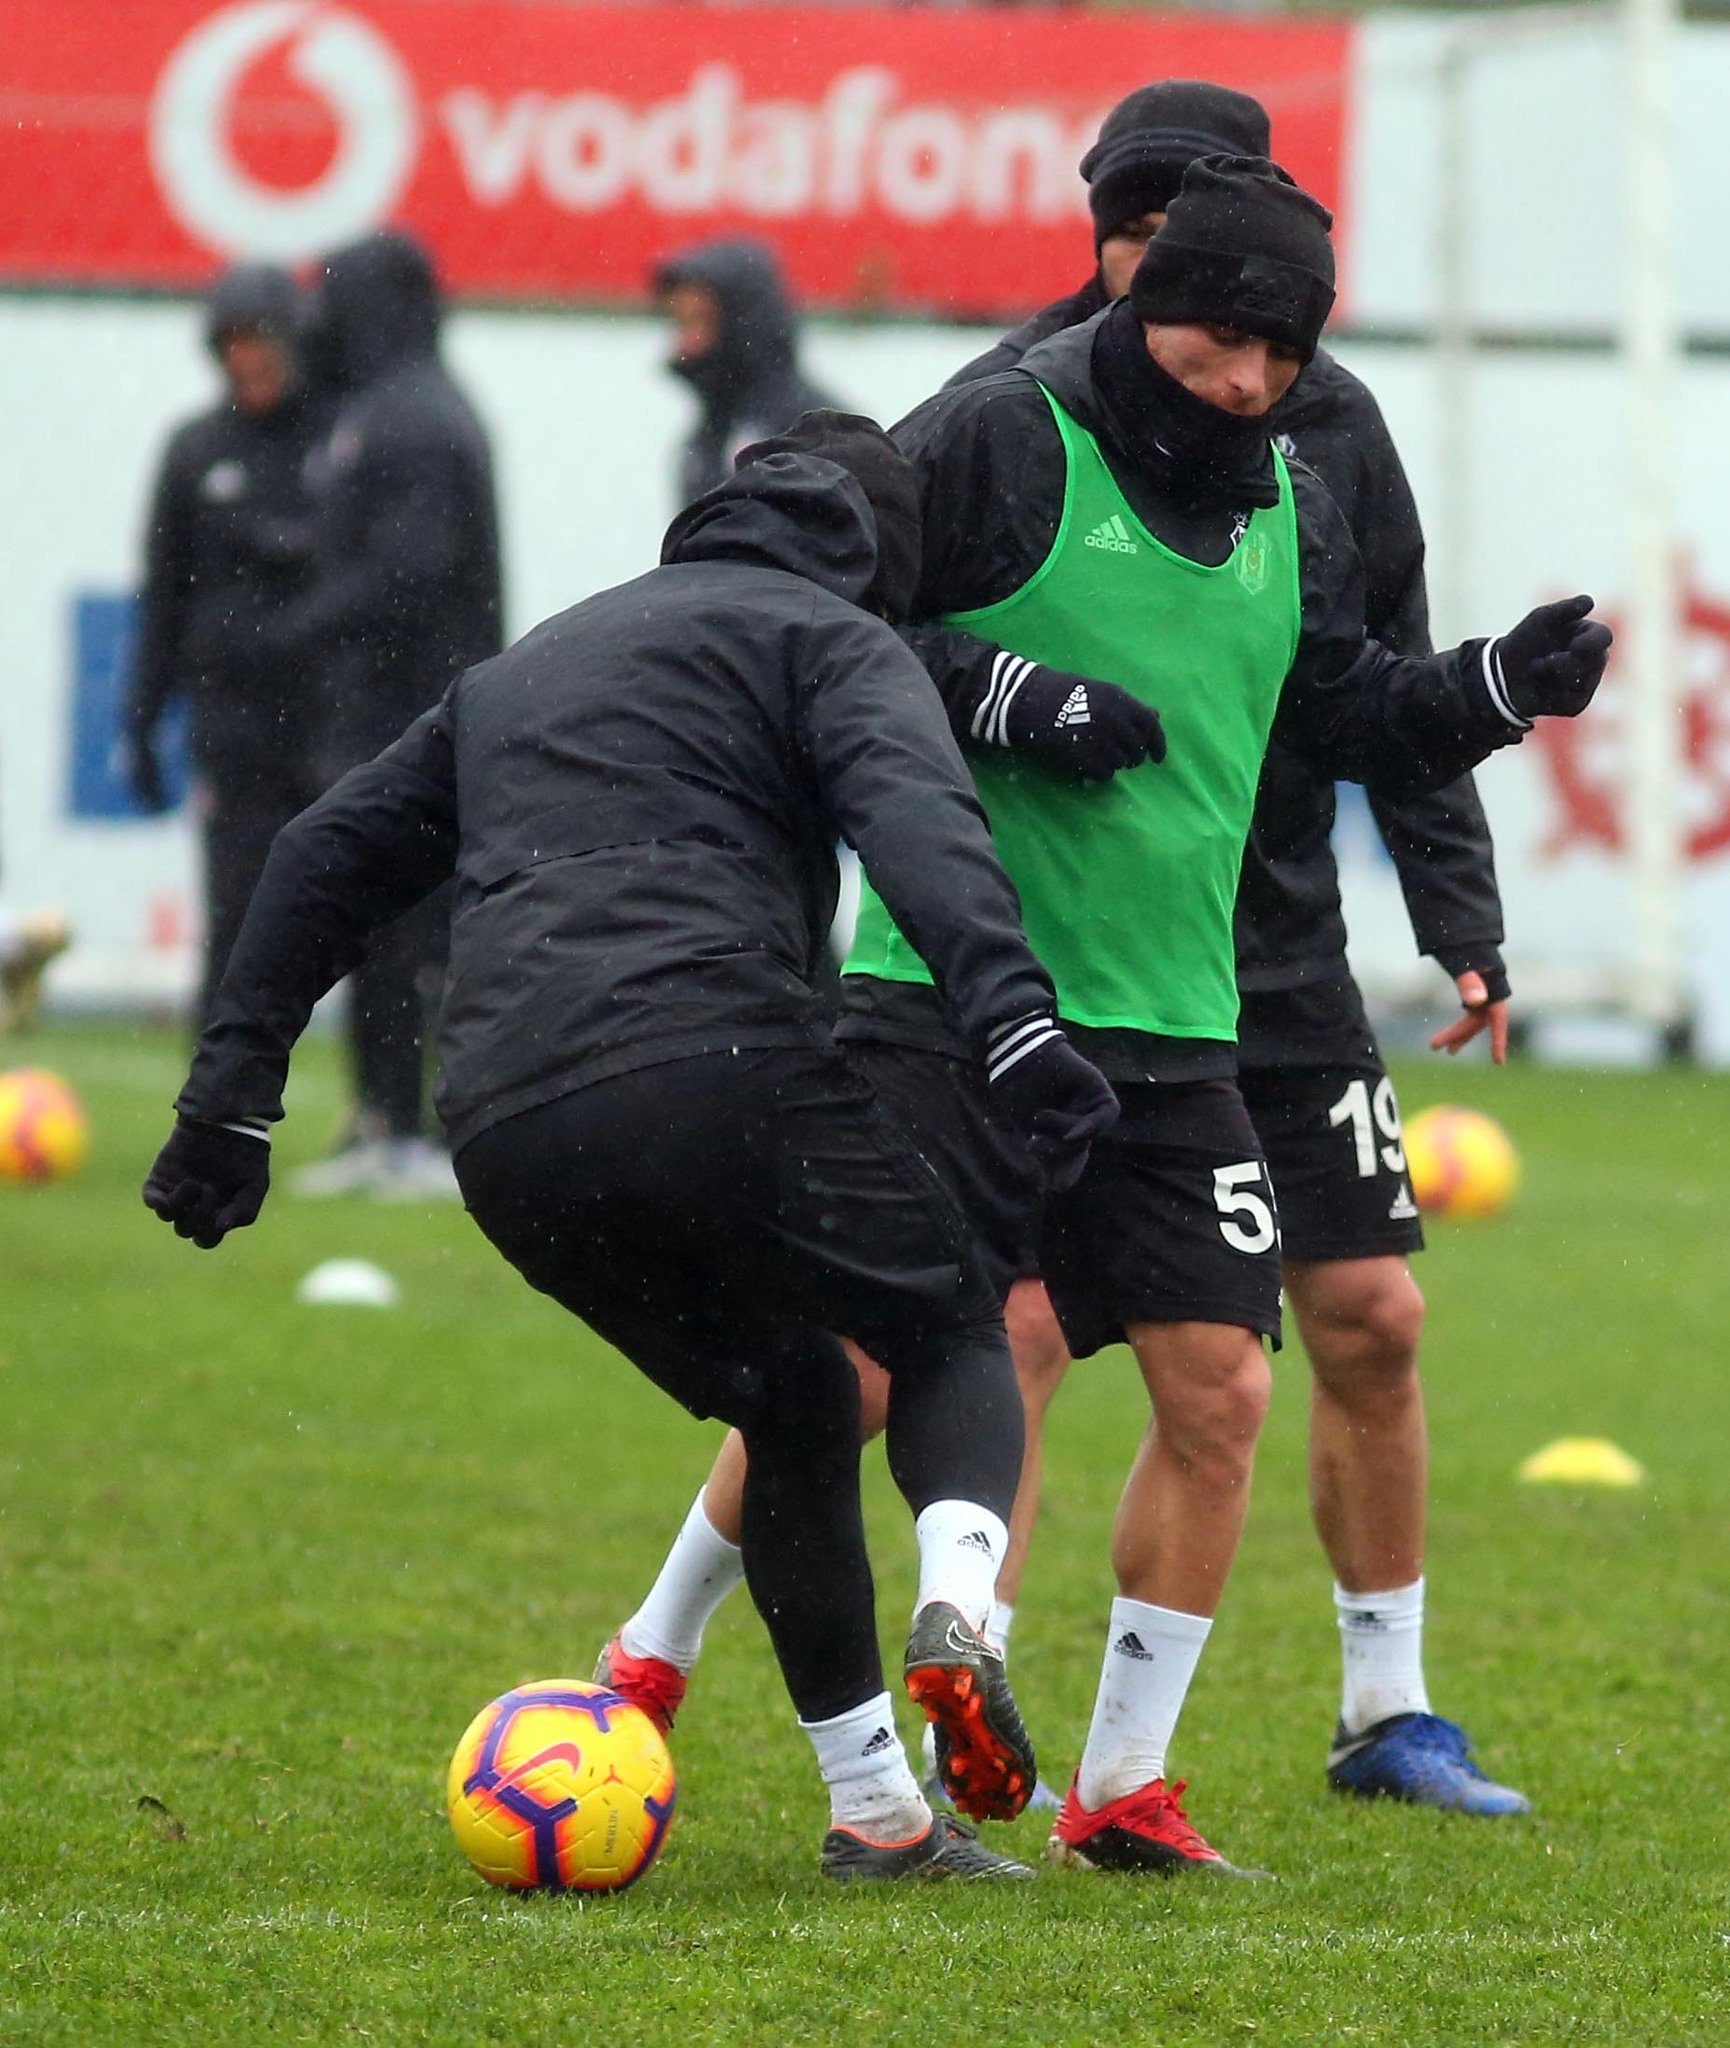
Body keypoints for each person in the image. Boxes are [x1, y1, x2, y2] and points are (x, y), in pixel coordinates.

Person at [600, 159, 1610, 1875]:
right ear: (1151, 299)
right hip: (952, 995)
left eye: (1284, 351)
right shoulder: (1003, 431)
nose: (1251, 379)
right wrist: (1008, 690)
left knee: (1220, 1387)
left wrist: (1493, 689)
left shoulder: (1295, 487)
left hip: (1181, 1023)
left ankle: (1122, 1789)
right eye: (1225, 338)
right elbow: (815, 611)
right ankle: (652, 1652)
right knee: (859, 1371)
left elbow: (1333, 708)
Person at [140, 416, 1122, 1883]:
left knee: (795, 1397)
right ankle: (959, 1609)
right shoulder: (836, 639)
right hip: (716, 1063)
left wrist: (229, 1099)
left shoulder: (532, 664)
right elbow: (925, 834)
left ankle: (877, 1812)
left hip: (505, 1121)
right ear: (879, 568)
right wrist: (1017, 1024)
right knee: (949, 1320)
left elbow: (320, 855)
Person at [947, 80, 1528, 1816]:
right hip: (1064, 959)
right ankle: (951, 1686)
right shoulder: (1014, 407)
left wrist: (1460, 917)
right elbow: (857, 625)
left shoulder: (1329, 421)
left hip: (1270, 955)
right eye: (1138, 230)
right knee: (1010, 1333)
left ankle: (1386, 1709)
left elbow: (1385, 681)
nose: (1172, 272)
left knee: (1369, 1315)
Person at [281, 232, 503, 1201]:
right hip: (380, 711)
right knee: (375, 922)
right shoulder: (376, 408)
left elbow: (411, 572)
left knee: (416, 927)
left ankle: (425, 1133)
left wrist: (287, 631)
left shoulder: (418, 418)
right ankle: (382, 1120)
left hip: (419, 713)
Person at [125, 263, 329, 1025]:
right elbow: (163, 594)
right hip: (235, 724)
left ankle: (388, 1087)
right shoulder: (195, 450)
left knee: (364, 917)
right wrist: (141, 720)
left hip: (329, 717)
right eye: (233, 343)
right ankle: (219, 1079)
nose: (249, 358)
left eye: (262, 340)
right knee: (239, 914)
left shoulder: (340, 440)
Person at [652, 239, 839, 512]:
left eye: (701, 320)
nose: (684, 343)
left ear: (744, 323)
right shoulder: (709, 436)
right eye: (680, 322)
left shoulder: (818, 433)